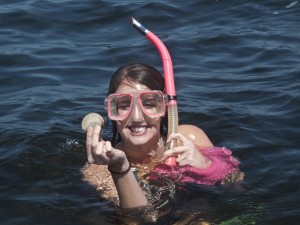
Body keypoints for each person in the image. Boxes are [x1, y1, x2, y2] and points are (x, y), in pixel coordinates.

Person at [81, 63, 243, 213]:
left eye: (149, 104)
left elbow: (236, 185)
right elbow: (138, 216)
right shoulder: (100, 168)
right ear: (112, 112)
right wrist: (120, 168)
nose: (137, 117)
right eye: (124, 106)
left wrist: (206, 166)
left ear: (164, 107)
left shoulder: (189, 137)